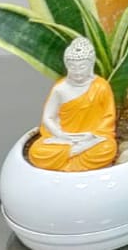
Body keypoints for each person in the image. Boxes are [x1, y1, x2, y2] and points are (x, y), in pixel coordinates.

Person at [28, 36, 118, 172]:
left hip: (90, 138)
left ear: (91, 65)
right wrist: (60, 134)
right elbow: (48, 117)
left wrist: (92, 135)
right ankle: (75, 155)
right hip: (64, 138)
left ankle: (69, 159)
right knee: (37, 152)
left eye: (82, 67)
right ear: (67, 66)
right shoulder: (60, 88)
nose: (77, 72)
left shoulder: (101, 86)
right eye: (73, 67)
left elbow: (108, 117)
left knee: (107, 148)